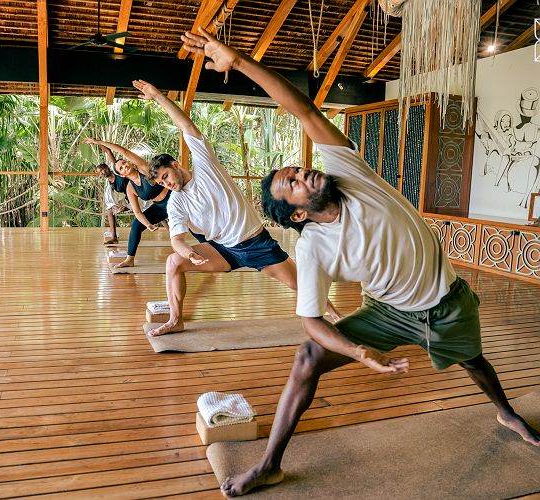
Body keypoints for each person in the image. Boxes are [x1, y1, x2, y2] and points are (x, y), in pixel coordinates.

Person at [180, 28, 540, 497]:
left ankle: (505, 411)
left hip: (446, 301)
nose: (301, 171)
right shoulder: (312, 248)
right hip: (389, 313)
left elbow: (303, 110)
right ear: (296, 212)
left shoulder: (350, 175)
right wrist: (357, 352)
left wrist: (240, 60)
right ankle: (269, 464)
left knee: (473, 360)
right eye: (293, 182)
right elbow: (310, 319)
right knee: (308, 356)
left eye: (295, 168)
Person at [131, 79, 340, 337]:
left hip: (256, 244)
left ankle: (336, 315)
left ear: (175, 164)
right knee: (174, 261)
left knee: (299, 283)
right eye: (161, 182)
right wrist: (188, 253)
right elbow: (177, 240)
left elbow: (186, 125)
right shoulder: (177, 202)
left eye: (166, 176)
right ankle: (176, 319)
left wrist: (158, 96)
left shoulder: (207, 166)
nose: (167, 184)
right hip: (224, 250)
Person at [85, 138, 171, 268]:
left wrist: (98, 142)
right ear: (122, 175)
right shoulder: (130, 188)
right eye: (122, 167)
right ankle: (129, 259)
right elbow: (137, 212)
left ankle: (210, 246)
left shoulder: (143, 168)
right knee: (136, 225)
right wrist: (148, 224)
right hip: (160, 207)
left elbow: (123, 151)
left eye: (125, 163)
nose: (125, 166)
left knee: (193, 226)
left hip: (175, 200)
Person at [94, 162, 128, 245]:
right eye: (100, 173)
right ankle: (114, 238)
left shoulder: (117, 173)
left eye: (103, 170)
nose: (102, 173)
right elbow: (113, 197)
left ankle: (166, 228)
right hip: (125, 199)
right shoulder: (108, 183)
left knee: (151, 209)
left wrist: (107, 149)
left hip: (135, 195)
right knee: (109, 210)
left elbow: (113, 159)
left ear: (108, 168)